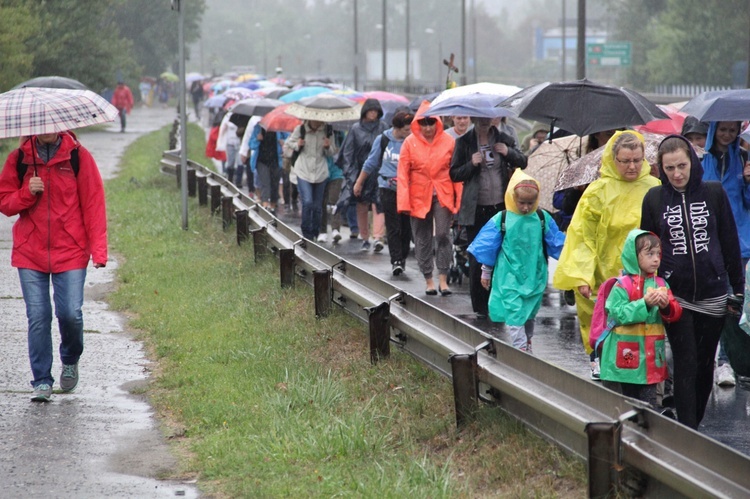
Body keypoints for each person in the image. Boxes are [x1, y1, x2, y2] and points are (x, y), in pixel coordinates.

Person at [641, 135, 743, 428]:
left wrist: (736, 290)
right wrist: (651, 286)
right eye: (669, 168)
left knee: (702, 366)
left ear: (693, 163)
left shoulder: (714, 192)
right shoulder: (654, 198)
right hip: (676, 297)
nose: (677, 174)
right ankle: (687, 433)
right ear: (661, 168)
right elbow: (646, 246)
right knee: (685, 363)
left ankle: (692, 427)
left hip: (713, 294)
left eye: (682, 166)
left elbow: (729, 242)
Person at [0, 131, 107, 402]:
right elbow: (5, 202)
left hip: (70, 249)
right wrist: (26, 193)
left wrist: (99, 250)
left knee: (70, 313)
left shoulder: (77, 157)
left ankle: (70, 358)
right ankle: (42, 381)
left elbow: (94, 204)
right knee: (38, 316)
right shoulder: (19, 159)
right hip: (30, 251)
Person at [553, 131, 661, 380]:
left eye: (637, 159)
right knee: (604, 322)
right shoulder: (597, 191)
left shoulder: (654, 189)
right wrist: (582, 275)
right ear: (614, 160)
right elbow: (582, 235)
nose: (632, 166)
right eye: (625, 161)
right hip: (605, 275)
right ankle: (601, 360)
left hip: (645, 274)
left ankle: (640, 373)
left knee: (640, 323)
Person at [467, 169, 565, 352]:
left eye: (530, 203)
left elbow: (558, 244)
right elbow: (489, 247)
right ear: (513, 197)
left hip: (534, 275)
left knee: (529, 312)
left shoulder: (542, 218)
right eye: (522, 203)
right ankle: (520, 349)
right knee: (515, 311)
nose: (526, 207)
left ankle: (526, 343)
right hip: (509, 275)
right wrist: (486, 272)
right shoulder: (502, 219)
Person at [450, 115, 527, 320]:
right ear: (474, 118)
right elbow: (454, 173)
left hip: (500, 207)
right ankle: (480, 307)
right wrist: (471, 163)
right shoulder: (464, 142)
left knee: (501, 256)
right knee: (478, 257)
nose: (485, 121)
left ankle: (497, 300)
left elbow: (523, 161)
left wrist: (507, 152)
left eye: (488, 117)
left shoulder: (504, 137)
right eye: (480, 117)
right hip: (476, 209)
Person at [600, 229, 682, 406]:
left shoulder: (661, 284)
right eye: (649, 254)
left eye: (658, 254)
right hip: (625, 360)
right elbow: (617, 313)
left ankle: (649, 428)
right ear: (634, 256)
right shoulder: (622, 285)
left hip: (651, 359)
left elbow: (675, 313)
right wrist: (643, 304)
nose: (656, 259)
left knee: (650, 403)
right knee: (625, 403)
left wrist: (666, 306)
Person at [702, 120, 750, 387]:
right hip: (710, 240)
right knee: (718, 301)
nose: (727, 135)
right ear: (713, 130)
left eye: (733, 130)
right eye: (723, 129)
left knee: (738, 303)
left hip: (740, 241)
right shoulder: (699, 161)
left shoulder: (744, 158)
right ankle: (719, 360)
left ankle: (732, 361)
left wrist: (748, 181)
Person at [397, 102, 461, 295]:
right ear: (418, 123)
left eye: (431, 122)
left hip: (442, 193)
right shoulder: (409, 142)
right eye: (423, 123)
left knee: (442, 234)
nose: (427, 127)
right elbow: (402, 174)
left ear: (438, 122)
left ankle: (443, 277)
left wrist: (458, 200)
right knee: (422, 238)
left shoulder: (448, 141)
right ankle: (428, 279)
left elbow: (455, 172)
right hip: (418, 195)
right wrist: (403, 202)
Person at [354, 109, 414, 275]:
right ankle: (396, 260)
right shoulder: (384, 140)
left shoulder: (412, 141)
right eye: (406, 130)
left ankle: (402, 255)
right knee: (393, 225)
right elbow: (371, 163)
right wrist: (359, 183)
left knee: (405, 225)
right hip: (387, 187)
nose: (409, 133)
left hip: (408, 188)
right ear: (397, 127)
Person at [340, 98, 388, 251]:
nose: (373, 114)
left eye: (375, 111)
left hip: (380, 171)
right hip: (361, 172)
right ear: (365, 112)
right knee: (361, 204)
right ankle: (365, 237)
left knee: (378, 203)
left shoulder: (383, 127)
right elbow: (348, 152)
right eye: (370, 110)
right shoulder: (355, 129)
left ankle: (378, 237)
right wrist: (350, 173)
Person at [284, 120, 337, 240]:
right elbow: (289, 143)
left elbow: (332, 152)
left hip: (320, 172)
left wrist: (328, 147)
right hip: (303, 170)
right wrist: (298, 144)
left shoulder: (327, 130)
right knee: (307, 202)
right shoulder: (301, 129)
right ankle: (306, 233)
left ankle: (315, 232)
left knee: (318, 206)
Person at [248, 122, 283, 213]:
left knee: (274, 183)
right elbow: (251, 144)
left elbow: (288, 139)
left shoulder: (279, 127)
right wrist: (257, 139)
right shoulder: (258, 127)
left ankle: (273, 205)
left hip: (276, 160)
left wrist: (283, 143)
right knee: (265, 183)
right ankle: (265, 205)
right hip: (262, 161)